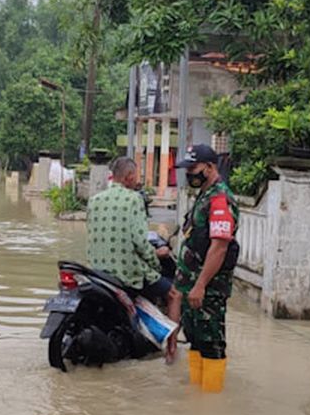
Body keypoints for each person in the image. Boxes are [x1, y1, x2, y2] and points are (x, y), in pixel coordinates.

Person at [86, 156, 182, 362]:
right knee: (174, 294)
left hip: (98, 271)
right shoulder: (134, 199)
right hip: (127, 271)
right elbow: (140, 241)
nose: (137, 180)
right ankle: (172, 350)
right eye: (136, 176)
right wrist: (156, 260)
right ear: (128, 177)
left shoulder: (95, 200)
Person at [173, 144, 240, 393]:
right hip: (193, 288)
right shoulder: (204, 195)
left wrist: (200, 285)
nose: (189, 173)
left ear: (210, 167)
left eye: (193, 168)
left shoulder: (220, 200)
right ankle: (196, 395)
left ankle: (210, 403)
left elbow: (219, 247)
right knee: (196, 341)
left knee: (212, 344)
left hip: (208, 290)